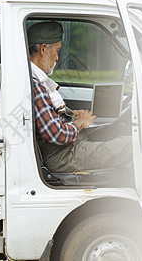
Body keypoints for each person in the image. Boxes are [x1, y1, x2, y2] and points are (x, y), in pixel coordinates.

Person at [28, 21, 132, 173]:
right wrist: (81, 123)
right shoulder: (37, 87)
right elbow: (56, 134)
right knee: (131, 145)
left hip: (68, 147)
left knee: (118, 129)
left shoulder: (36, 81)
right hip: (64, 155)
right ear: (43, 49)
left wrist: (72, 116)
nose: (57, 58)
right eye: (57, 50)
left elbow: (49, 119)